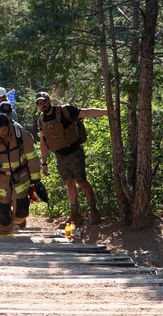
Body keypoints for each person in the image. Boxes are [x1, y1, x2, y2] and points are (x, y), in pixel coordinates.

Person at [36, 91, 107, 226]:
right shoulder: (41, 120)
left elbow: (87, 113)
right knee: (69, 183)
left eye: (43, 101)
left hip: (75, 153)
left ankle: (94, 212)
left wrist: (107, 111)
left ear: (49, 100)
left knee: (82, 181)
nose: (42, 105)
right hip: (60, 156)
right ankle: (75, 216)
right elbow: (43, 142)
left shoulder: (65, 111)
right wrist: (44, 163)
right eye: (39, 103)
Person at [0, 114, 41, 236]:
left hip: (20, 177)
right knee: (3, 213)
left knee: (21, 211)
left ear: (9, 125)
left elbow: (32, 158)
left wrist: (36, 180)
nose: (1, 133)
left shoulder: (21, 134)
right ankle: (5, 238)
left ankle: (18, 221)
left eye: (4, 130)